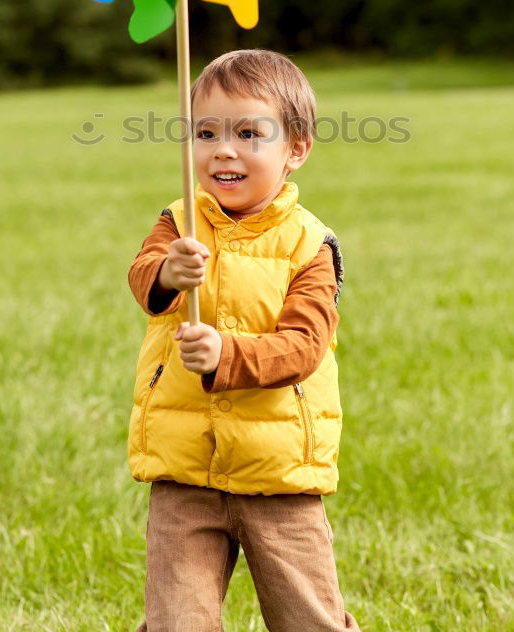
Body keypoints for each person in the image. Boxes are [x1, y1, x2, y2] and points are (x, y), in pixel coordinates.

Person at [128, 48, 359, 632]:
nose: (223, 149)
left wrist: (226, 356)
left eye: (249, 133)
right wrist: (166, 273)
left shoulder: (311, 245)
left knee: (309, 619)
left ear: (296, 150)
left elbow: (303, 346)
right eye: (205, 132)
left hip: (279, 471)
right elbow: (143, 275)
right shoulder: (179, 222)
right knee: (178, 622)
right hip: (186, 468)